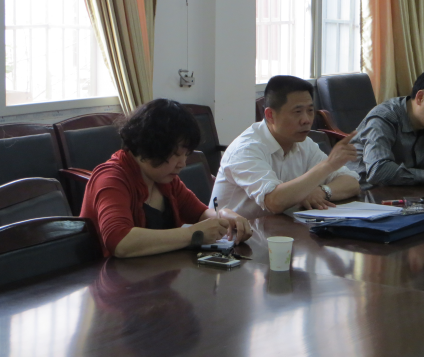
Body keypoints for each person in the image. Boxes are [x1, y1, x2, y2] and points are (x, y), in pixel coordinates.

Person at [80, 99, 252, 258]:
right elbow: (120, 242)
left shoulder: (165, 180)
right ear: (151, 146)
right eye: (176, 154)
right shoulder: (111, 178)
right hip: (112, 277)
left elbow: (199, 214)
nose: (182, 164)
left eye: (186, 155)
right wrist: (193, 234)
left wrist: (223, 216)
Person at [210, 75, 361, 214]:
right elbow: (274, 201)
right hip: (235, 232)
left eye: (310, 110)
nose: (306, 120)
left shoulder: (304, 143)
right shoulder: (246, 149)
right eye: (297, 112)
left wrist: (322, 191)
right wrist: (328, 165)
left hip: (279, 228)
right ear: (270, 115)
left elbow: (352, 182)